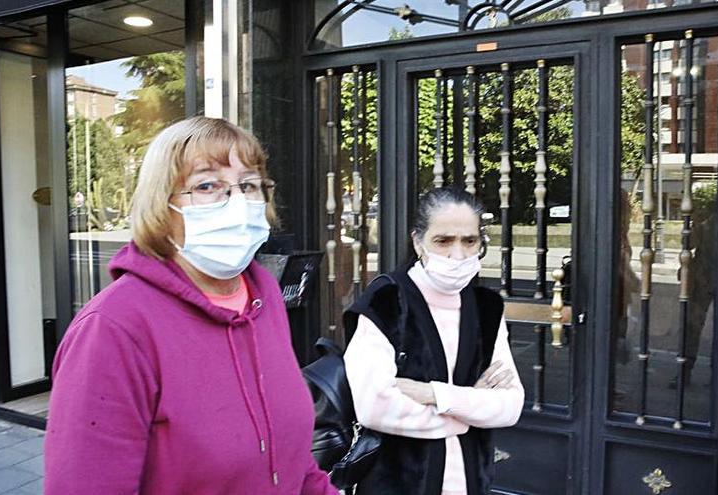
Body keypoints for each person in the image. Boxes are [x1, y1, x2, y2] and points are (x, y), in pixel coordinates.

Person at [44, 117, 337, 494]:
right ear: (162, 207)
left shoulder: (262, 294)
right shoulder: (113, 328)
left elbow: (296, 465)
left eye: (248, 185)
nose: (237, 202)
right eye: (207, 185)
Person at [344, 186, 525, 494]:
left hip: (470, 480)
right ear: (418, 242)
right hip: (398, 483)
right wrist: (468, 411)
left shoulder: (486, 308)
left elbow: (509, 404)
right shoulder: (387, 300)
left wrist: (432, 394)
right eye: (443, 241)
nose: (458, 254)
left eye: (470, 241)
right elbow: (374, 406)